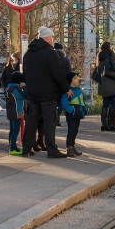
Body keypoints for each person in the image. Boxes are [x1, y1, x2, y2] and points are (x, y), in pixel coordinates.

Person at [22, 26, 70, 158]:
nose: (53, 39)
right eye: (52, 37)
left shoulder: (28, 54)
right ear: (47, 37)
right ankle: (52, 150)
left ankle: (26, 148)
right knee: (49, 120)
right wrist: (65, 88)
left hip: (33, 92)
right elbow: (58, 73)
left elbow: (25, 74)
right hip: (48, 92)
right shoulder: (50, 53)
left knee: (32, 120)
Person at [94, 41, 115, 131]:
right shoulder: (112, 55)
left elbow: (98, 72)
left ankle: (103, 124)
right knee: (113, 104)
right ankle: (112, 125)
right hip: (113, 82)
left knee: (105, 104)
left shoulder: (99, 57)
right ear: (110, 47)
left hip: (105, 83)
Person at [61, 72, 87, 157]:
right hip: (72, 115)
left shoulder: (79, 90)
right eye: (75, 78)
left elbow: (84, 100)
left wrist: (84, 109)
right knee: (71, 131)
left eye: (77, 77)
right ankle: (69, 148)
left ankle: (72, 146)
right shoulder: (68, 91)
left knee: (75, 131)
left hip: (78, 114)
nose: (78, 79)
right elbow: (64, 103)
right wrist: (72, 110)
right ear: (70, 81)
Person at [5, 72, 28, 155]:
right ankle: (13, 148)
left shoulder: (9, 88)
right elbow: (24, 96)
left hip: (11, 112)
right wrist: (24, 87)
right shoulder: (15, 89)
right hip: (16, 112)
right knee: (15, 130)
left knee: (12, 130)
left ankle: (11, 146)